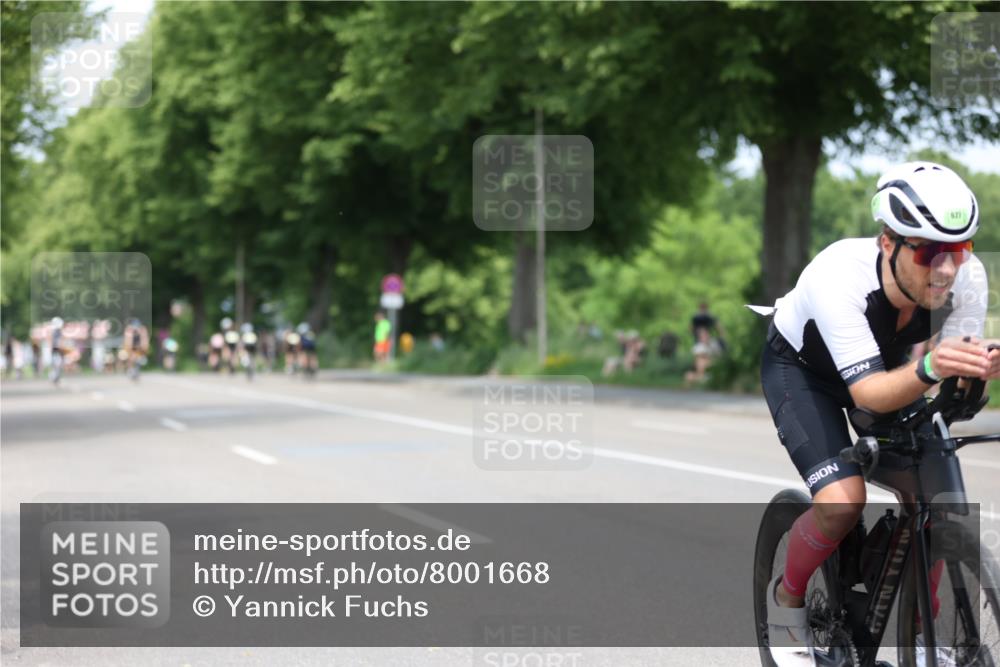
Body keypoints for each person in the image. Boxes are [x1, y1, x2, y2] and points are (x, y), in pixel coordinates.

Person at [756, 162, 1000, 666]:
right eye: (930, 252)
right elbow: (868, 394)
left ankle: (919, 631)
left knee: (939, 494)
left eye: (959, 250)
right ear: (888, 243)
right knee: (843, 501)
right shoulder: (838, 274)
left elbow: (950, 382)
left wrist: (976, 373)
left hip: (886, 366)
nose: (948, 269)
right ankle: (788, 602)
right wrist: (934, 364)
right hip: (804, 371)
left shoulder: (967, 277)